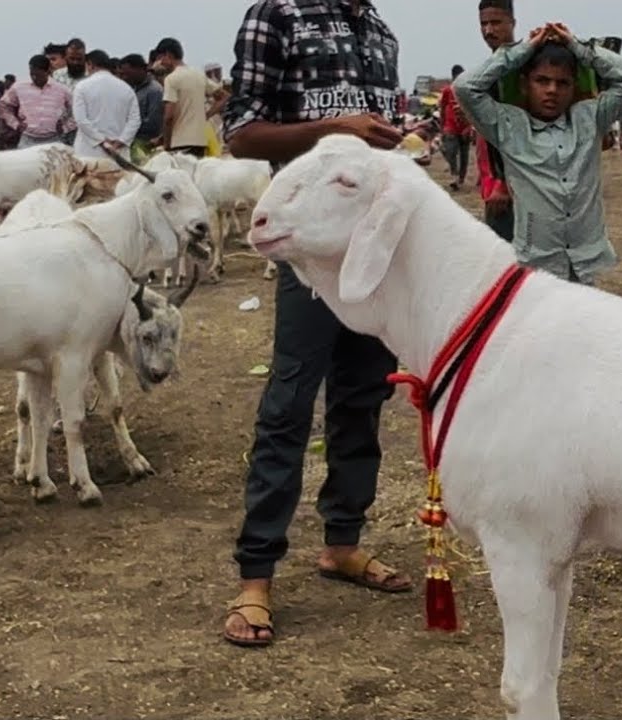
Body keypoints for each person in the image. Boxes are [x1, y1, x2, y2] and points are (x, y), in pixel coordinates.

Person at [220, 0, 410, 649]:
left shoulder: (379, 28)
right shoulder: (278, 14)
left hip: (374, 253)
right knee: (290, 401)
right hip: (309, 254)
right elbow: (242, 132)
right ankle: (256, 576)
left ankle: (343, 544)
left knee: (363, 396)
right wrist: (337, 128)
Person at [454, 22, 622, 285]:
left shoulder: (589, 119)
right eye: (542, 81)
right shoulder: (508, 126)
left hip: (585, 266)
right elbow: (465, 88)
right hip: (535, 269)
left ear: (572, 87)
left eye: (562, 83)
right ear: (525, 84)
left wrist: (576, 46)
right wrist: (524, 49)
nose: (552, 90)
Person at [475, 0, 518, 241]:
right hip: (492, 185)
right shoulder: (489, 69)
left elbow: (510, 131)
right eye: (483, 24)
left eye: (496, 23)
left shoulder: (517, 69)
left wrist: (502, 181)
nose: (489, 30)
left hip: (510, 188)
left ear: (512, 23)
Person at [153, 37, 227, 157]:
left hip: (179, 143)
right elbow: (224, 97)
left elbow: (169, 117)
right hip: (200, 141)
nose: (160, 63)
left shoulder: (171, 79)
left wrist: (166, 144)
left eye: (160, 58)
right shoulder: (198, 75)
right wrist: (206, 115)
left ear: (168, 55)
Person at [71, 50, 140, 159]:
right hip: (118, 154)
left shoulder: (82, 87)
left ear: (90, 65)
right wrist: (121, 141)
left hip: (88, 153)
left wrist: (101, 140)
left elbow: (81, 120)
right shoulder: (127, 89)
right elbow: (135, 120)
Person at [0, 54, 76, 148]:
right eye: (32, 74)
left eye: (38, 75)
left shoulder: (62, 90)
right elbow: (4, 105)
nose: (34, 77)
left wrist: (66, 127)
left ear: (48, 71)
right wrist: (15, 124)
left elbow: (76, 110)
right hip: (27, 140)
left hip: (53, 140)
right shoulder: (19, 87)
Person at [117, 54, 164, 154]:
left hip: (145, 144)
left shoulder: (155, 90)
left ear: (139, 69)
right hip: (130, 140)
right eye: (121, 74)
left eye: (126, 74)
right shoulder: (132, 89)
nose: (123, 78)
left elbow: (153, 123)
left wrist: (129, 127)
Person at [438, 64, 472, 191]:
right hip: (450, 126)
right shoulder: (448, 90)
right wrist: (442, 125)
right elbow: (443, 107)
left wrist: (470, 126)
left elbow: (472, 109)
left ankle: (460, 178)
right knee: (450, 151)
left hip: (465, 125)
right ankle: (455, 175)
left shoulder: (468, 90)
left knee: (464, 155)